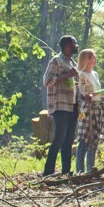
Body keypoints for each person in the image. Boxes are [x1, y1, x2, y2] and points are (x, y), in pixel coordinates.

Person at [42, 35, 79, 176]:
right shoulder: (56, 61)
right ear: (67, 45)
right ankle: (48, 171)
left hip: (73, 105)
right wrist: (67, 75)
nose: (77, 46)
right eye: (74, 43)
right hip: (60, 105)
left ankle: (66, 171)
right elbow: (47, 81)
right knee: (59, 137)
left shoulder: (73, 63)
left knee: (69, 139)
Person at [74, 49, 104, 173]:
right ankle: (80, 170)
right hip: (86, 108)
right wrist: (87, 96)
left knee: (95, 139)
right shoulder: (81, 74)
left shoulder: (95, 74)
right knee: (84, 139)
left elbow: (98, 90)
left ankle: (90, 168)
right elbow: (81, 90)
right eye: (93, 57)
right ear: (87, 59)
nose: (95, 59)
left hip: (97, 107)